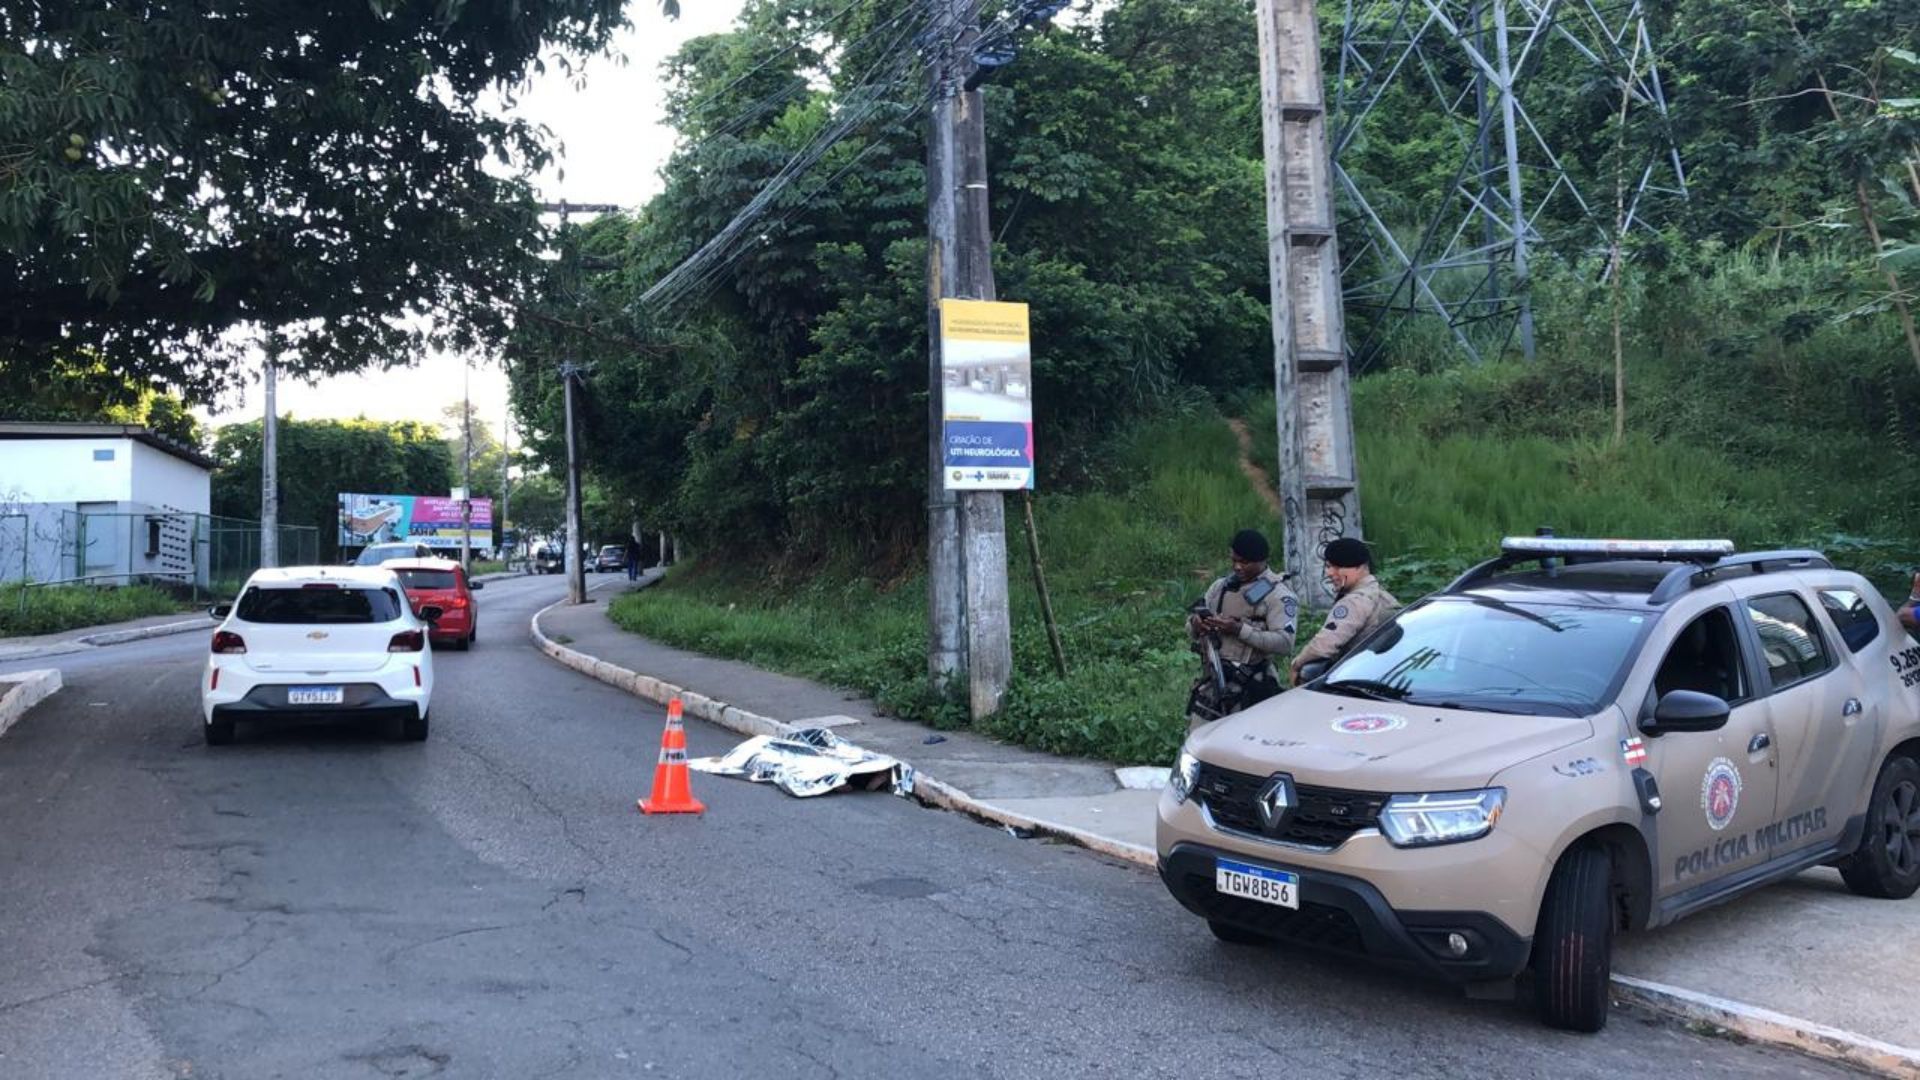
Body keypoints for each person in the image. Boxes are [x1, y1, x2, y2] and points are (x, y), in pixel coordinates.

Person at [1185, 529, 1299, 728]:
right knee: (1198, 742)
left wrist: (1239, 630)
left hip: (1251, 686)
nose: (1237, 567)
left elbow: (1285, 644)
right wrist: (1196, 623)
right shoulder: (1220, 587)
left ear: (1262, 561)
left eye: (1245, 562)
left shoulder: (1278, 596)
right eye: (1234, 560)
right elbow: (1191, 626)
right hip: (1213, 681)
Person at [1290, 537, 1401, 685]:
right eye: (1328, 566)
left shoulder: (1354, 601)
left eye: (1338, 567)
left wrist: (1297, 665)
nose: (1330, 573)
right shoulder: (1384, 597)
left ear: (1359, 567)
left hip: (1356, 683)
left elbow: (1324, 645)